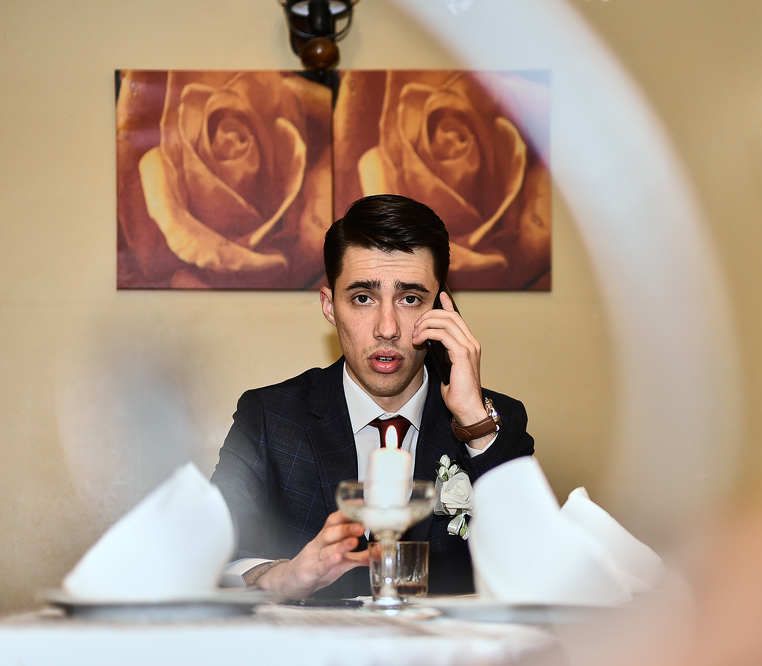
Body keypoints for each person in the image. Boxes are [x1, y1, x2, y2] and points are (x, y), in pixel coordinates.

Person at [211, 194, 534, 599]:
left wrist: (474, 424)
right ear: (330, 307)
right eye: (362, 298)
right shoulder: (270, 418)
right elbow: (208, 556)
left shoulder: (495, 420)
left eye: (410, 299)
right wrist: (283, 576)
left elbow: (533, 563)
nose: (387, 328)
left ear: (443, 309)